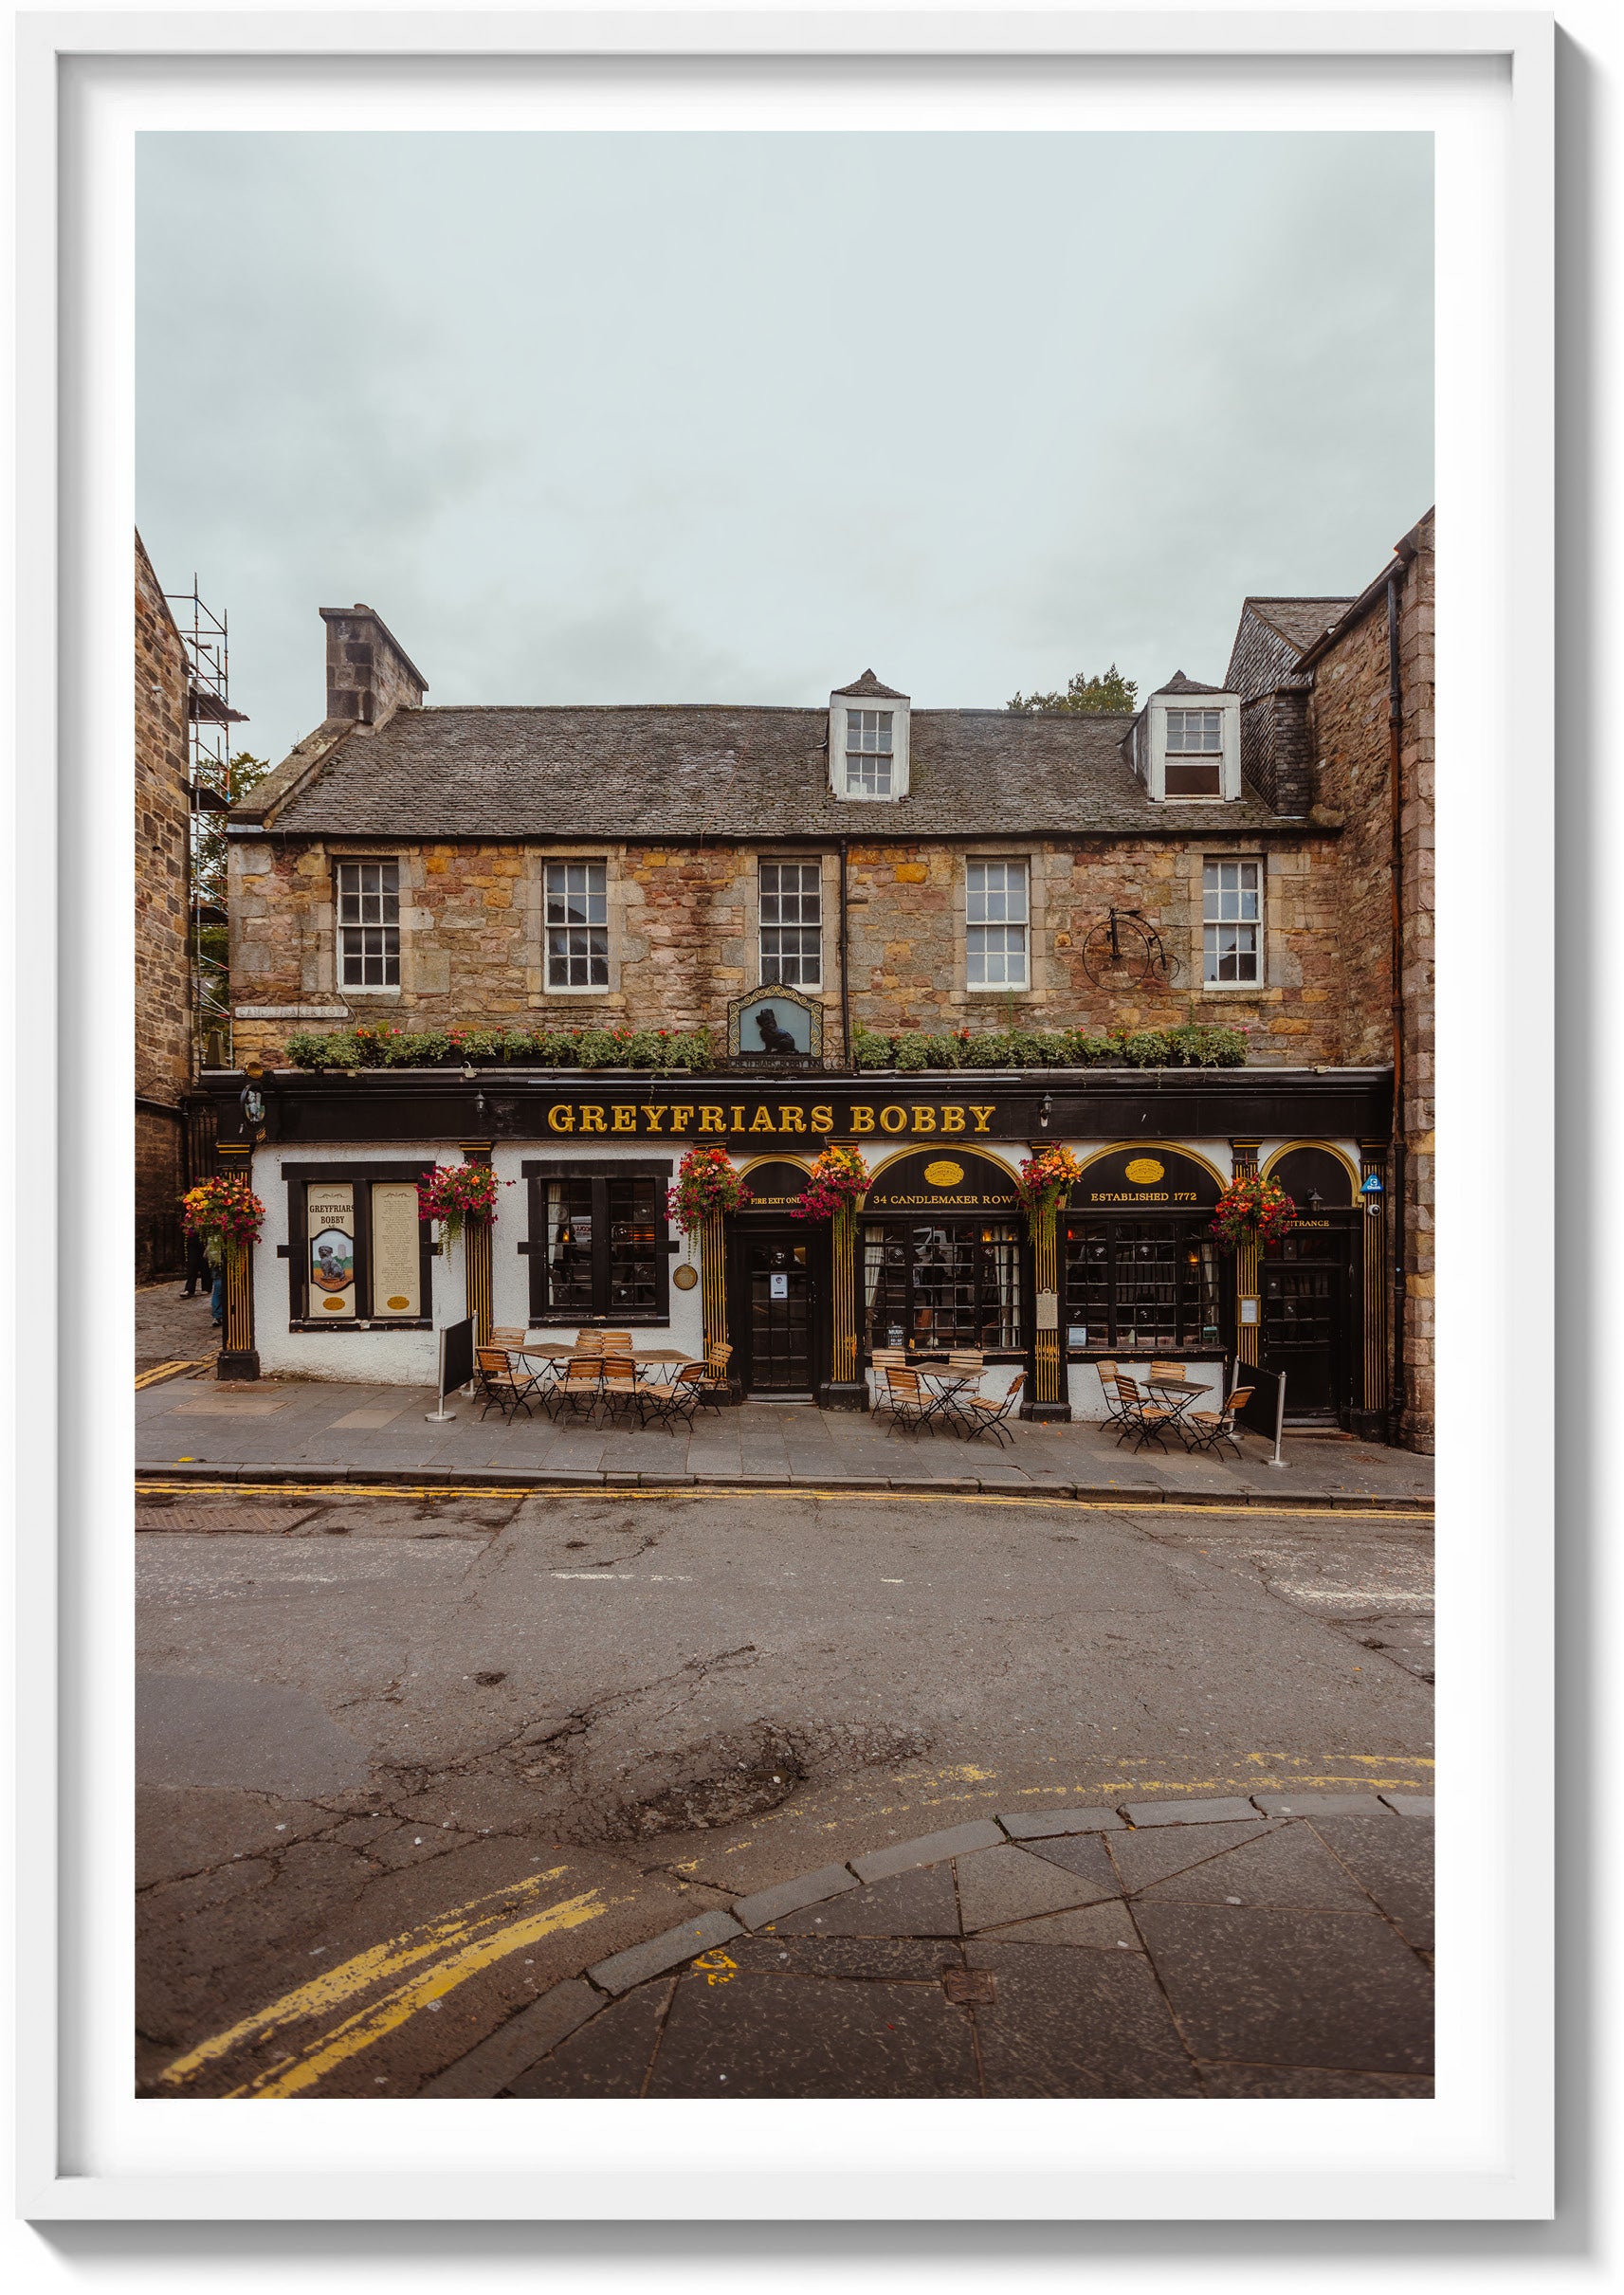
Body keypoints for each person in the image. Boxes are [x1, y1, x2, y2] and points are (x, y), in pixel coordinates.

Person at [180, 1229, 210, 1299]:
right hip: (192, 1240)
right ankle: (189, 1289)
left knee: (204, 1265)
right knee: (192, 1265)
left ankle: (206, 1288)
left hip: (203, 1239)